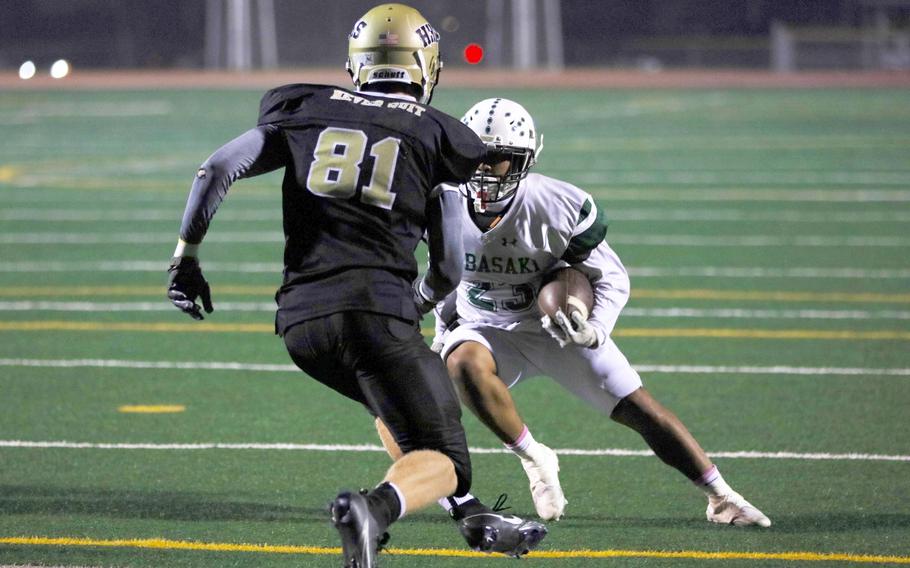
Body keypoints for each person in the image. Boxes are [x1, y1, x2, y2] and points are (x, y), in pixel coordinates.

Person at [166, 6, 545, 567]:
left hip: (300, 324)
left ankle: (473, 515)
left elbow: (215, 170)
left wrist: (186, 259)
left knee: (396, 406)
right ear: (426, 66)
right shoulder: (440, 134)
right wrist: (414, 305)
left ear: (358, 63)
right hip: (375, 311)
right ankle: (374, 509)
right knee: (444, 453)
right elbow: (449, 269)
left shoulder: (307, 107)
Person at [430, 97, 771, 528]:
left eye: (498, 159)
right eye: (475, 157)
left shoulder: (556, 206)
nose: (483, 169)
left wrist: (594, 328)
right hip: (486, 325)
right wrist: (444, 329)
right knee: (460, 362)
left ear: (525, 160)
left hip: (553, 326)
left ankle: (721, 497)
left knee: (641, 410)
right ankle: (535, 458)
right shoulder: (442, 201)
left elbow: (611, 277)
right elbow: (446, 274)